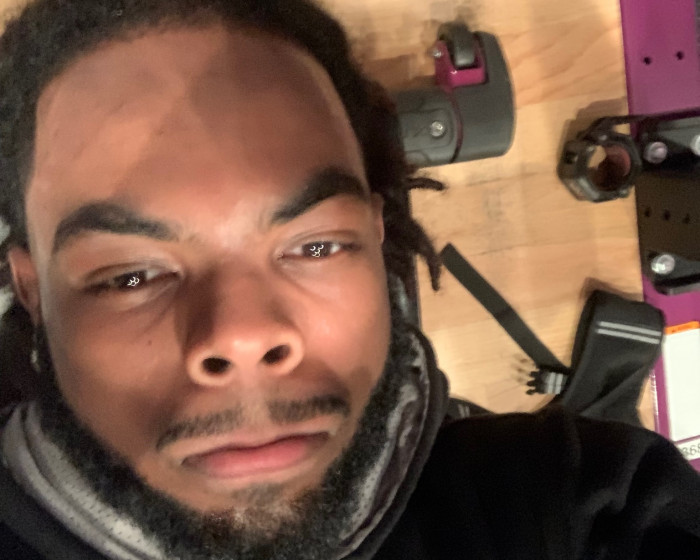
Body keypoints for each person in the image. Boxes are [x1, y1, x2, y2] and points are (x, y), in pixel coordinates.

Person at [0, 0, 698, 558]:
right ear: (30, 292)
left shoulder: (582, 502)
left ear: (377, 234)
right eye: (129, 277)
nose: (243, 338)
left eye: (316, 245)